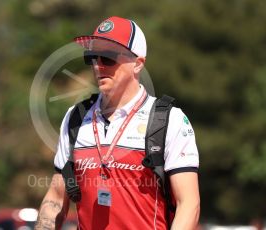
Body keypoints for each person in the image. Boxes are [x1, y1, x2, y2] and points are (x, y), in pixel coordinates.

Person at [35, 16, 200, 230]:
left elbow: (189, 204)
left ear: (137, 64)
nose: (98, 65)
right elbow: (56, 198)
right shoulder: (75, 117)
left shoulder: (169, 120)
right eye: (92, 57)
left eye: (108, 57)